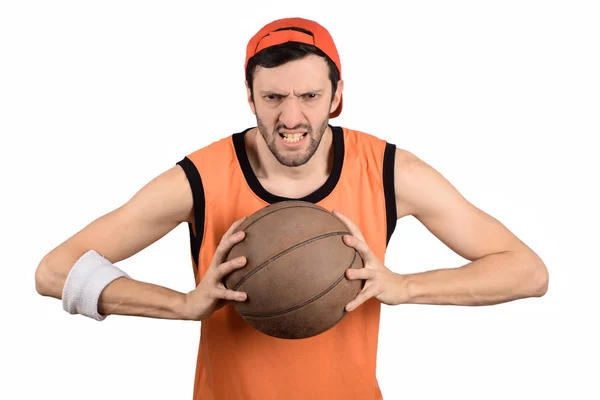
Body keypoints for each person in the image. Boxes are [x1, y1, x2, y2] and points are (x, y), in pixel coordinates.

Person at [34, 17, 549, 400]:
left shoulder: (389, 171)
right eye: (274, 96)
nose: (292, 116)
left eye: (309, 95)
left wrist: (403, 286)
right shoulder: (201, 178)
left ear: (337, 96)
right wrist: (182, 304)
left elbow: (527, 272)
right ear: (250, 98)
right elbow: (54, 271)